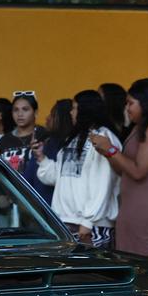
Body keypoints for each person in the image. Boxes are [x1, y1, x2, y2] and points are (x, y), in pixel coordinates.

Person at [95, 78, 148, 259]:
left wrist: (110, 149)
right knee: (130, 259)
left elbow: (138, 171)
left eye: (131, 103)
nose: (127, 108)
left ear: (146, 104)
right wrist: (107, 153)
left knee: (146, 263)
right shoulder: (139, 127)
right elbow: (124, 169)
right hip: (133, 204)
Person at [36, 90, 120, 247]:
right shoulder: (73, 138)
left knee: (92, 271)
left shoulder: (104, 137)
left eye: (74, 108)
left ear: (85, 110)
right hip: (65, 221)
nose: (71, 112)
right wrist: (42, 159)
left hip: (90, 225)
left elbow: (104, 182)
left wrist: (88, 222)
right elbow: (61, 177)